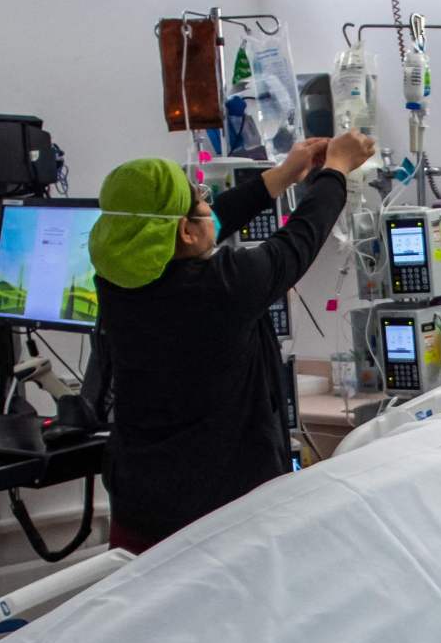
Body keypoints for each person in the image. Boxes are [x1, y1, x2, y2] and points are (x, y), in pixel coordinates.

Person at [88, 130, 376, 552]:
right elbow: (300, 238)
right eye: (201, 197)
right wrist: (336, 170)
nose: (210, 204)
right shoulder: (223, 288)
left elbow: (206, 223)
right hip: (217, 522)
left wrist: (281, 177)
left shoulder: (118, 282)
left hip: (139, 510)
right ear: (185, 231)